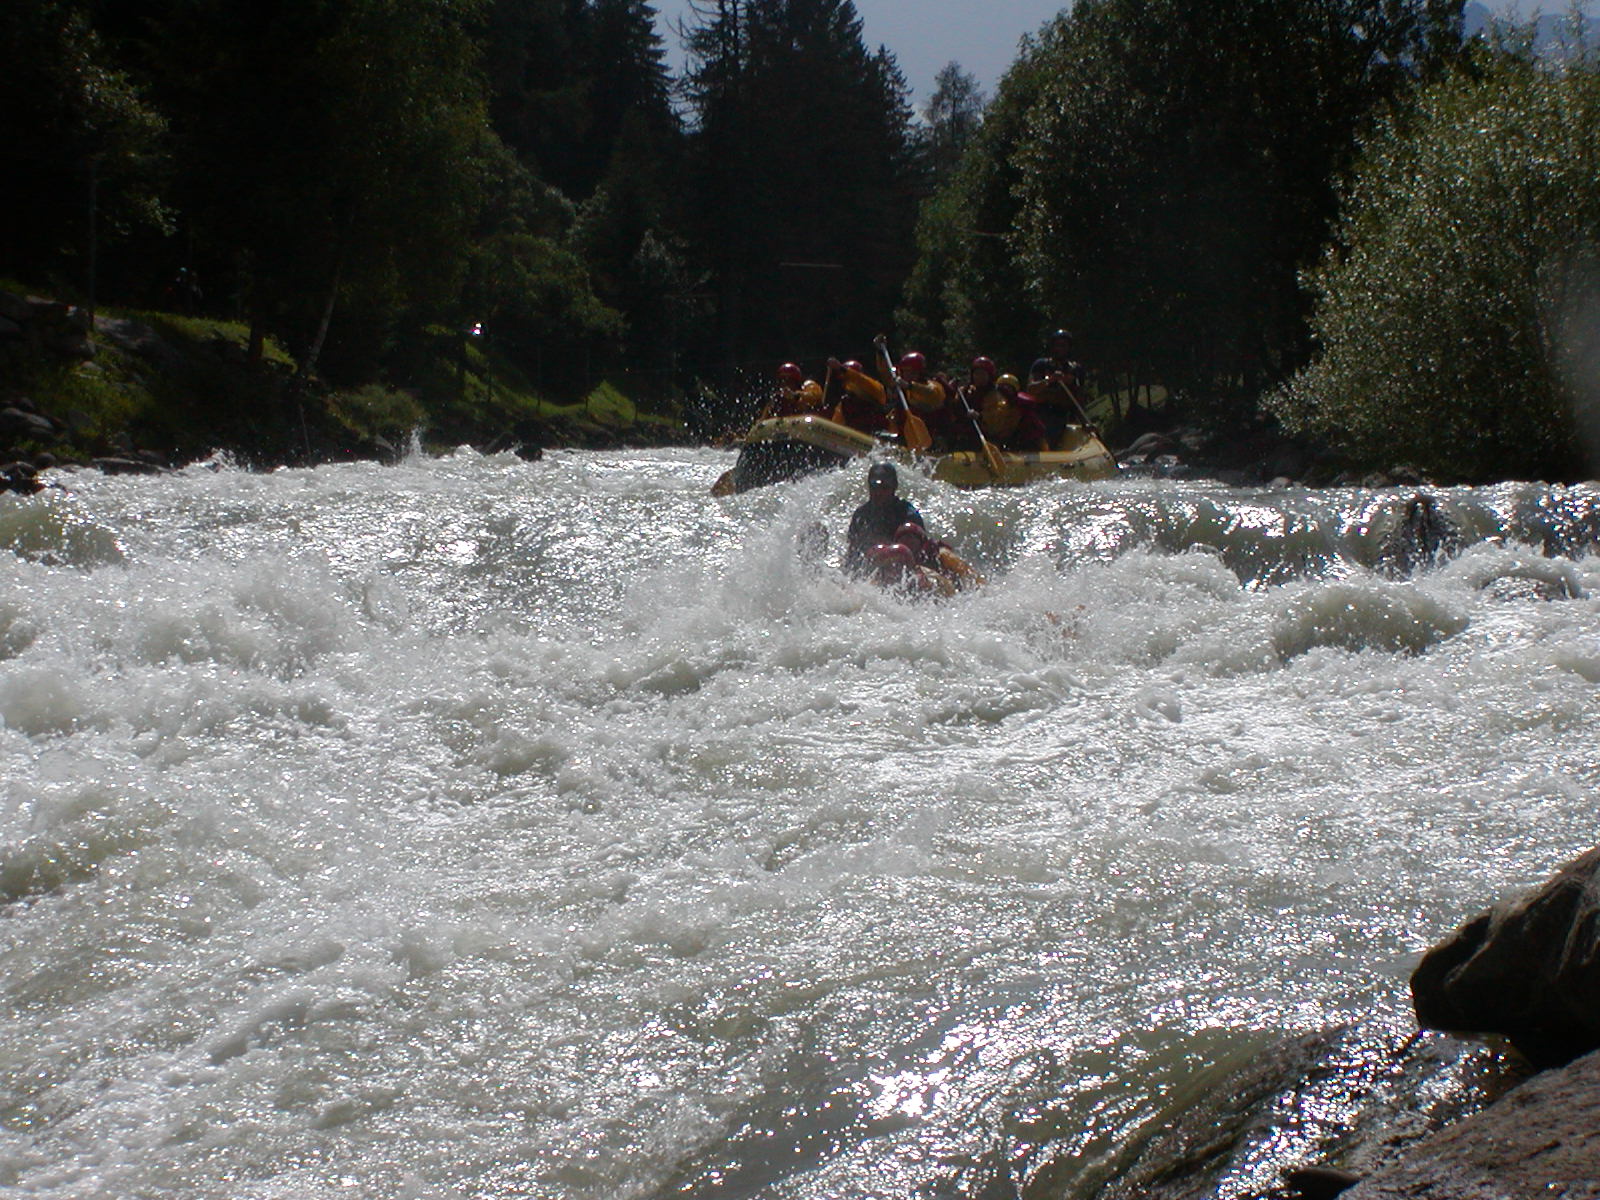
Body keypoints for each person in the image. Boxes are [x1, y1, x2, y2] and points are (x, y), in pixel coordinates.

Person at [843, 461, 923, 575]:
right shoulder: (861, 515)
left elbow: (919, 553)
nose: (878, 492)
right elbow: (852, 552)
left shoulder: (908, 514)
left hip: (903, 570)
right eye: (874, 486)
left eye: (884, 487)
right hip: (871, 570)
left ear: (894, 487)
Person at [1027, 329, 1090, 447]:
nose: (1060, 349)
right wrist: (1049, 380)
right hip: (1040, 413)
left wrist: (1084, 422)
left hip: (1061, 415)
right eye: (1057, 345)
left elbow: (1079, 397)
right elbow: (1031, 389)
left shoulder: (1075, 370)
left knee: (1053, 428)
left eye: (1064, 346)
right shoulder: (1041, 365)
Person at [893, 521, 984, 595]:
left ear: (921, 542)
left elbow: (970, 575)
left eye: (911, 539)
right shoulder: (896, 558)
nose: (908, 543)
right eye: (903, 540)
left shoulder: (940, 554)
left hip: (951, 589)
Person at [893, 351, 956, 449]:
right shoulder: (901, 385)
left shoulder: (933, 385)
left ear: (920, 373)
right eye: (905, 371)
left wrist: (910, 386)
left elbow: (932, 393)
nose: (907, 375)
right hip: (908, 436)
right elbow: (885, 374)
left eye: (912, 372)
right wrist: (880, 353)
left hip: (933, 439)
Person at [978, 374, 1047, 452]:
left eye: (1008, 388)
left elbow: (1037, 432)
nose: (1005, 391)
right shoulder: (993, 404)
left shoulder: (1022, 405)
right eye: (1002, 388)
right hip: (1004, 439)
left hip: (1024, 439)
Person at [826, 358, 891, 434]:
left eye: (849, 379)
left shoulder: (875, 390)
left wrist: (842, 369)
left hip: (878, 436)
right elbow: (837, 424)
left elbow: (860, 380)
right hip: (858, 440)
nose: (848, 384)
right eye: (845, 380)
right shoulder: (845, 402)